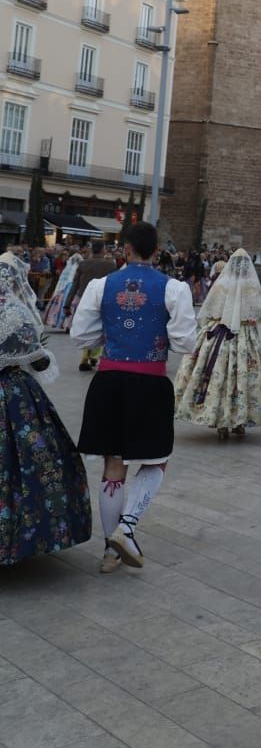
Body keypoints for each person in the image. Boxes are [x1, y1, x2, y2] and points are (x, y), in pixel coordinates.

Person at [70, 221, 196, 572]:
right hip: (149, 382)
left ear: (124, 250)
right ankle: (126, 529)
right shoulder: (173, 288)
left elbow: (80, 335)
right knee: (156, 459)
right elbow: (186, 342)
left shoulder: (101, 286)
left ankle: (111, 551)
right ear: (157, 251)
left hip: (109, 380)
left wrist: (111, 340)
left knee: (114, 464)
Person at [0, 256, 92, 565]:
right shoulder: (16, 313)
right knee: (25, 462)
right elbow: (39, 361)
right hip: (13, 394)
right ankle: (22, 536)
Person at [174, 249, 261, 441]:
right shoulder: (252, 286)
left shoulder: (221, 284)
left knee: (219, 376)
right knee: (241, 377)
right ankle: (239, 421)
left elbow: (208, 311)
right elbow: (259, 313)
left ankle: (219, 420)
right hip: (244, 337)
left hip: (217, 335)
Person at [66, 240, 118, 369]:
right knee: (101, 327)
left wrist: (67, 303)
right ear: (103, 250)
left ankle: (85, 357)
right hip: (104, 300)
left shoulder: (83, 264)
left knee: (86, 327)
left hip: (83, 299)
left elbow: (75, 285)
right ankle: (95, 356)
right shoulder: (110, 265)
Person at [43, 248, 81, 330]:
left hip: (66, 287)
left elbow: (63, 278)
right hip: (72, 287)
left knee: (65, 304)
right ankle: (68, 324)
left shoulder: (69, 263)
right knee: (72, 305)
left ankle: (63, 323)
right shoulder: (75, 263)